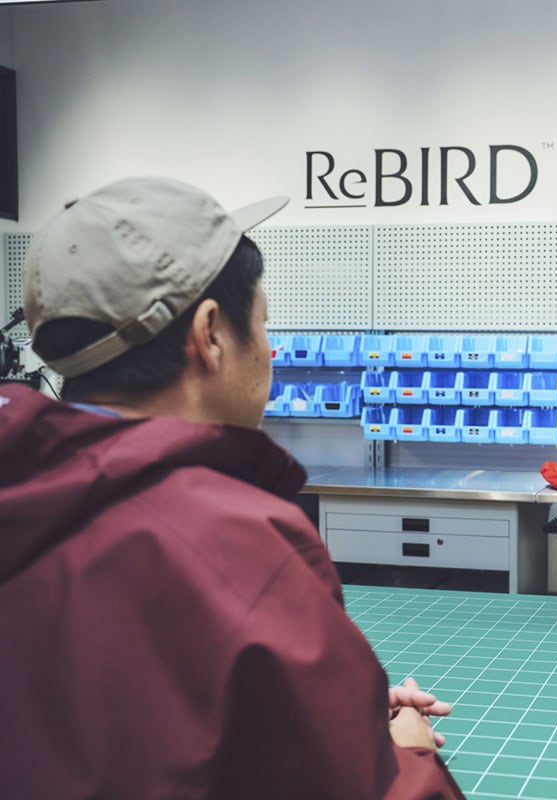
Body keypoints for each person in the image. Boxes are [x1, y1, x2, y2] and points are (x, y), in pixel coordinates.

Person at [0, 177, 465, 798]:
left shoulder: (29, 489)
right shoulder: (231, 543)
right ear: (212, 334)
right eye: (263, 324)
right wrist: (401, 751)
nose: (269, 350)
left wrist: (314, 703)